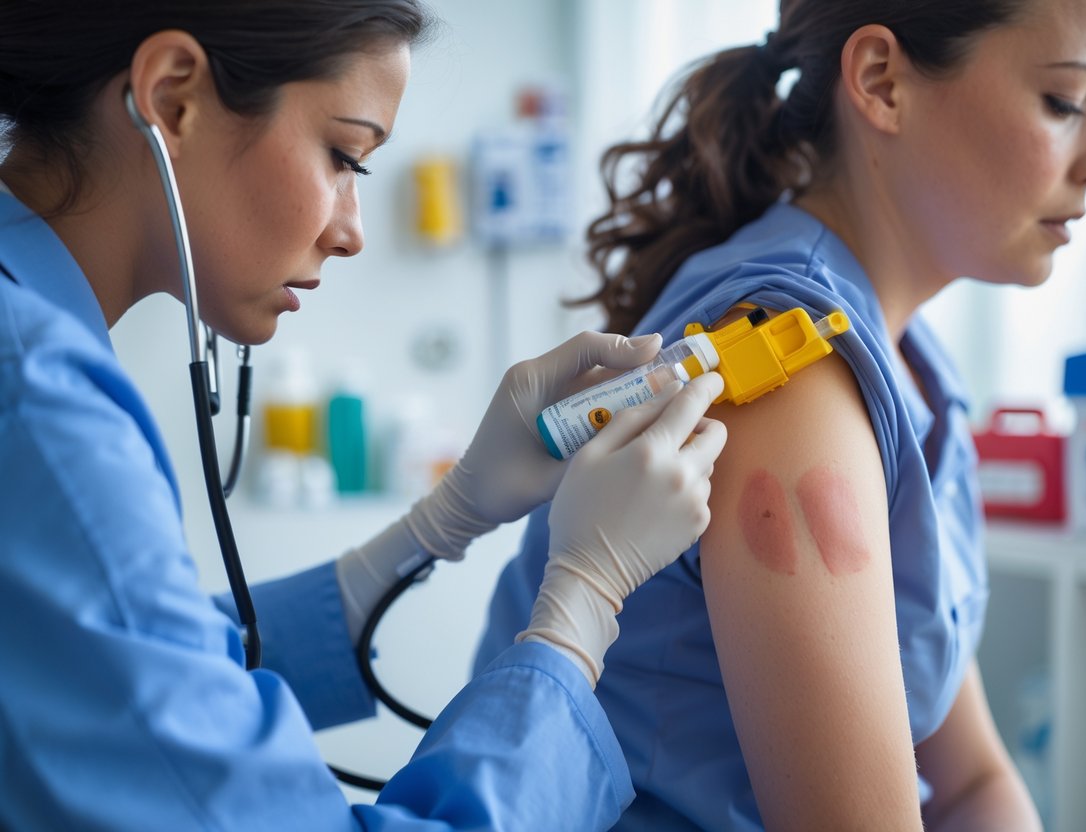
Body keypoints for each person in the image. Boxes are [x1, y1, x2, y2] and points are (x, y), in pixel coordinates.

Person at [0, 1, 729, 829]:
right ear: (171, 101)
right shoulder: (39, 408)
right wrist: (580, 606)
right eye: (344, 155)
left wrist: (439, 524)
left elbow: (156, 668)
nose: (350, 233)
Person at [476, 0, 1086, 828]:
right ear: (881, 82)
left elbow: (970, 782)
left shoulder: (913, 365)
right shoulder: (787, 373)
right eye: (1066, 102)